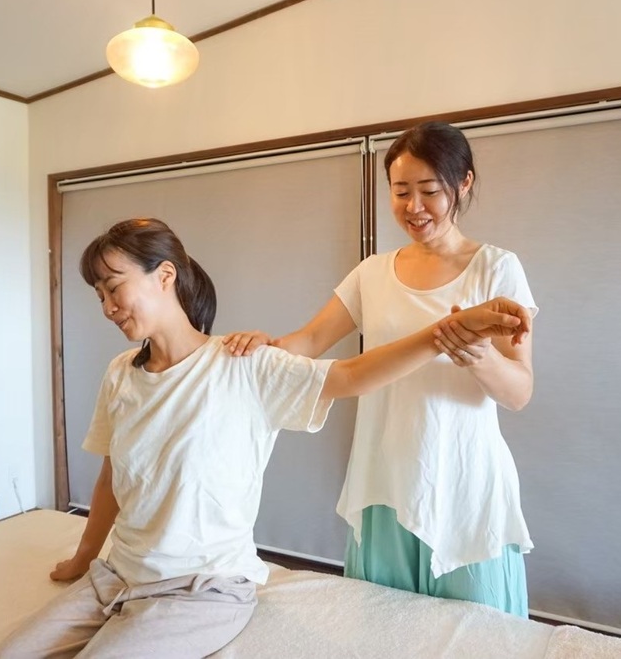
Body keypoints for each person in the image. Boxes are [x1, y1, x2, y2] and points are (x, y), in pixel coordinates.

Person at [0, 217, 531, 659]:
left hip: (200, 591)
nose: (107, 307)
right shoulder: (120, 373)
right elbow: (111, 478)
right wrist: (84, 558)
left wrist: (447, 333)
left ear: (164, 276)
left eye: (114, 288)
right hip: (114, 578)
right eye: (98, 295)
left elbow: (350, 374)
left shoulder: (242, 365)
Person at [224, 121, 538, 617]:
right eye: (401, 191)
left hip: (463, 483)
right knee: (383, 627)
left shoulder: (496, 268)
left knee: (478, 635)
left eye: (429, 191)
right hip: (383, 479)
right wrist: (264, 346)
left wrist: (478, 355)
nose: (414, 207)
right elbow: (308, 342)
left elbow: (519, 392)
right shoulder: (372, 272)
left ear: (464, 184)